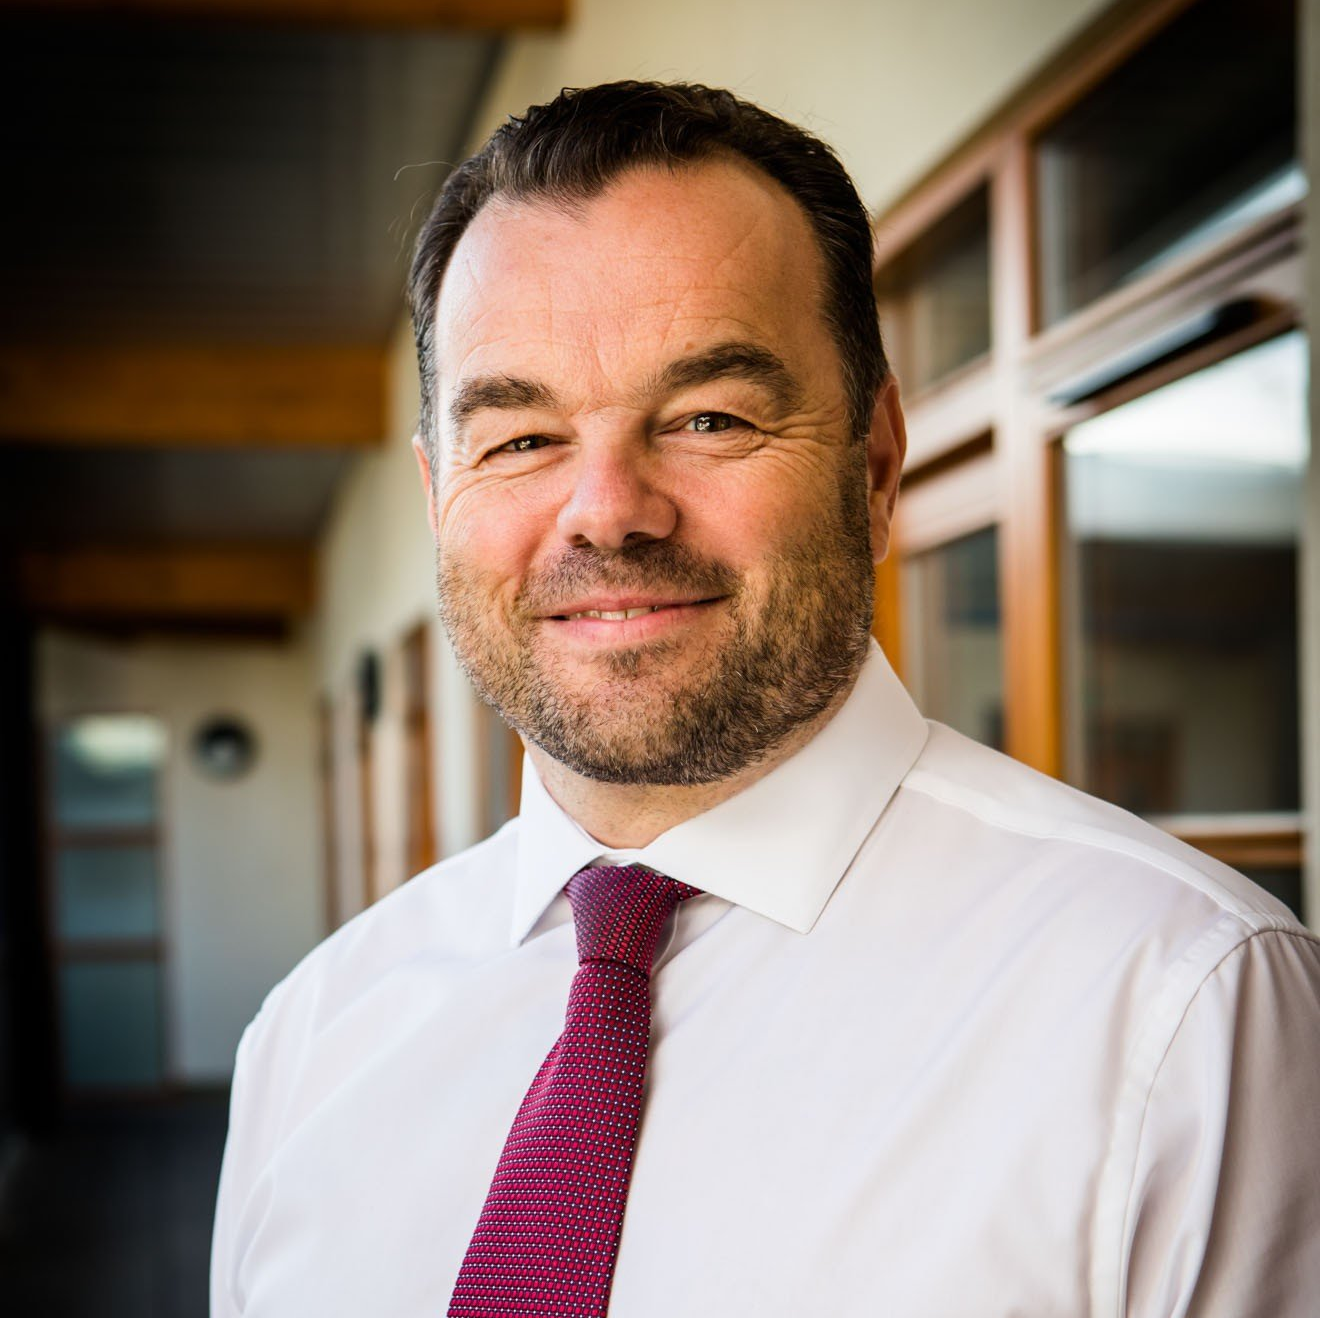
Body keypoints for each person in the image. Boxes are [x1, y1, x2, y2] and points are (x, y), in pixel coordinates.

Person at [210, 82, 1320, 1318]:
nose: (607, 508)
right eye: (520, 439)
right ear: (438, 497)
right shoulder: (310, 1041)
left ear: (876, 462)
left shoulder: (1182, 1007)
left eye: (708, 416)